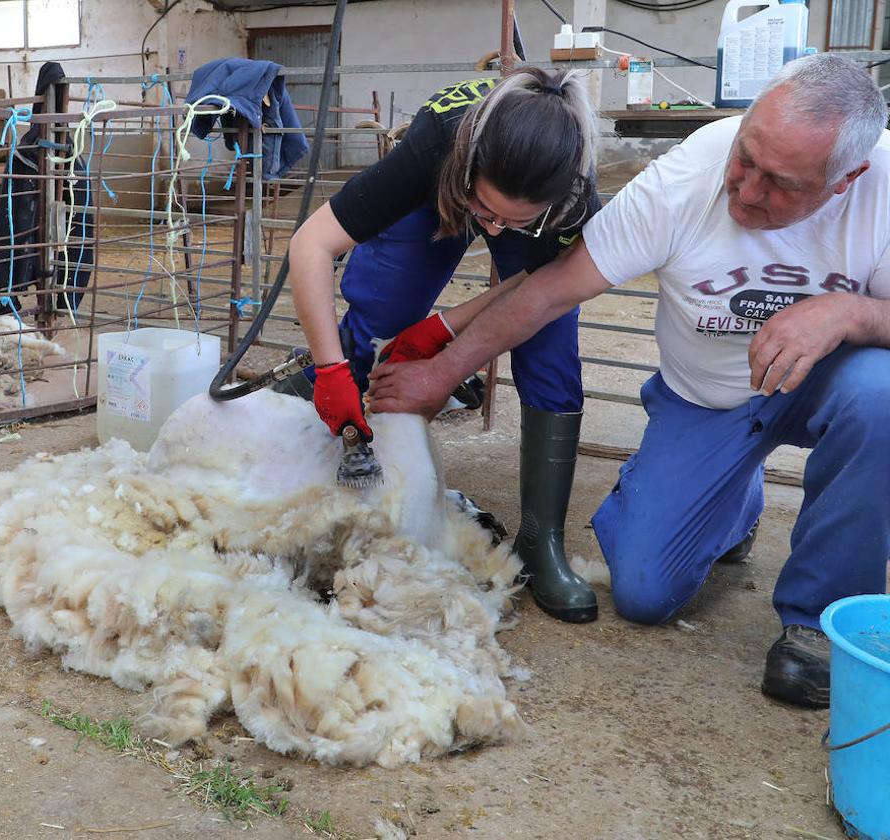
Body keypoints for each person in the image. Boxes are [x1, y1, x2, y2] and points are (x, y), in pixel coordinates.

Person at [367, 53, 890, 709]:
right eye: (746, 157)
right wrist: (444, 370)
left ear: (847, 179)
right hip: (708, 401)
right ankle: (734, 499)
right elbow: (553, 290)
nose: (748, 190)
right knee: (644, 592)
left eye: (780, 183)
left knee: (880, 394)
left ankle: (820, 624)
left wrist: (849, 311)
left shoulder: (885, 191)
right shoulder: (688, 177)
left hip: (827, 387)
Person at [285, 67, 602, 623]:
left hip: (527, 221)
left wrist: (448, 339)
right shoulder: (436, 145)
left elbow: (535, 287)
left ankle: (540, 537)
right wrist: (329, 366)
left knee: (550, 349)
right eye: (488, 214)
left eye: (514, 220)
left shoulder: (572, 198)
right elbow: (312, 243)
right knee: (387, 306)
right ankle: (330, 430)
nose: (496, 231)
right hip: (437, 188)